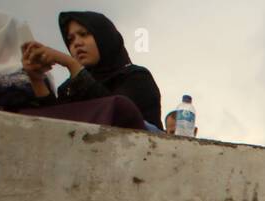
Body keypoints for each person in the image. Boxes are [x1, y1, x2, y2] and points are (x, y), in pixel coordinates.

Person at [21, 11, 161, 129]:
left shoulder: (136, 77)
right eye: (70, 40)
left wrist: (72, 64)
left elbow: (115, 115)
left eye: (84, 34)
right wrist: (36, 79)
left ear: (105, 37)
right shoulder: (69, 88)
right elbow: (55, 125)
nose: (76, 43)